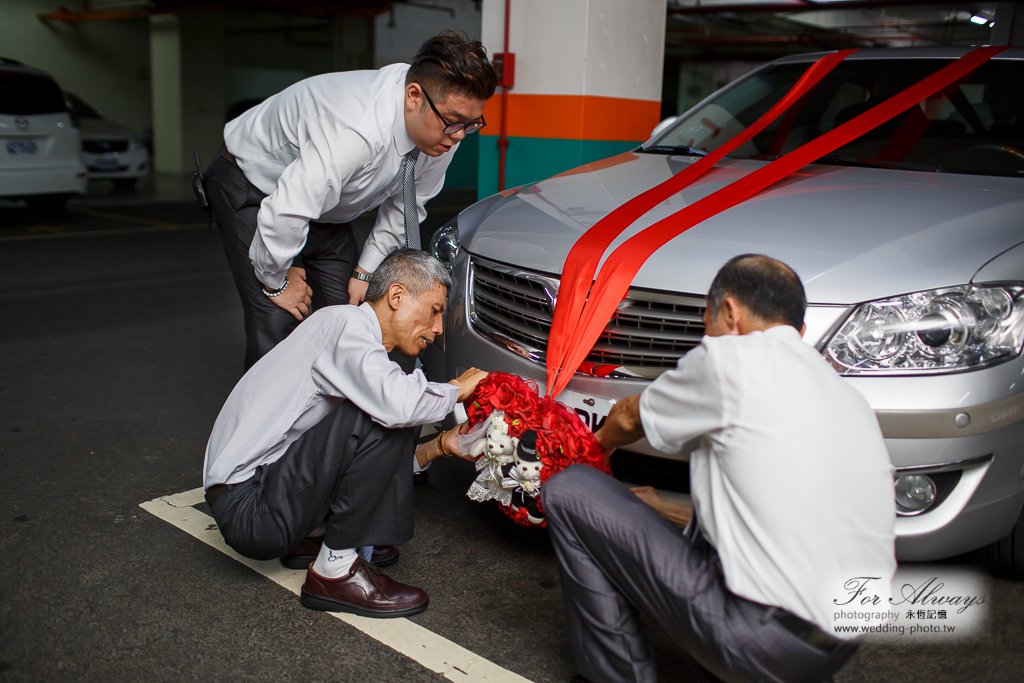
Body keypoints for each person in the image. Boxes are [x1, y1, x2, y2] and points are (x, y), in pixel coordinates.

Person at [543, 254, 897, 683]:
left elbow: (628, 419)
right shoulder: (848, 399)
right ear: (797, 331)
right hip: (838, 644)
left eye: (704, 324)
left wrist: (591, 451)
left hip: (759, 636)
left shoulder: (733, 358)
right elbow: (776, 520)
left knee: (571, 489)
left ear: (729, 313)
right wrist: (664, 510)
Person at [202, 249, 487, 617]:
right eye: (435, 310)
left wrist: (439, 447)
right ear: (396, 296)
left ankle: (322, 537)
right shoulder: (346, 325)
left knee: (395, 400)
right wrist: (457, 388)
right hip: (249, 510)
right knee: (395, 403)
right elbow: (397, 407)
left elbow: (355, 453)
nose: (437, 327)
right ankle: (334, 572)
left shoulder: (348, 334)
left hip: (264, 493)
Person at [205, 31, 497, 369]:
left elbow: (406, 206)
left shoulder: (441, 133)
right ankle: (271, 417)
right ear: (413, 96)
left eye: (471, 123)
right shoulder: (354, 130)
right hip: (255, 186)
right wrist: (277, 281)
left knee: (353, 311)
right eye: (453, 122)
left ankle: (336, 416)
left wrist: (365, 271)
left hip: (325, 204)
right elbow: (286, 211)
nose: (460, 135)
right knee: (279, 320)